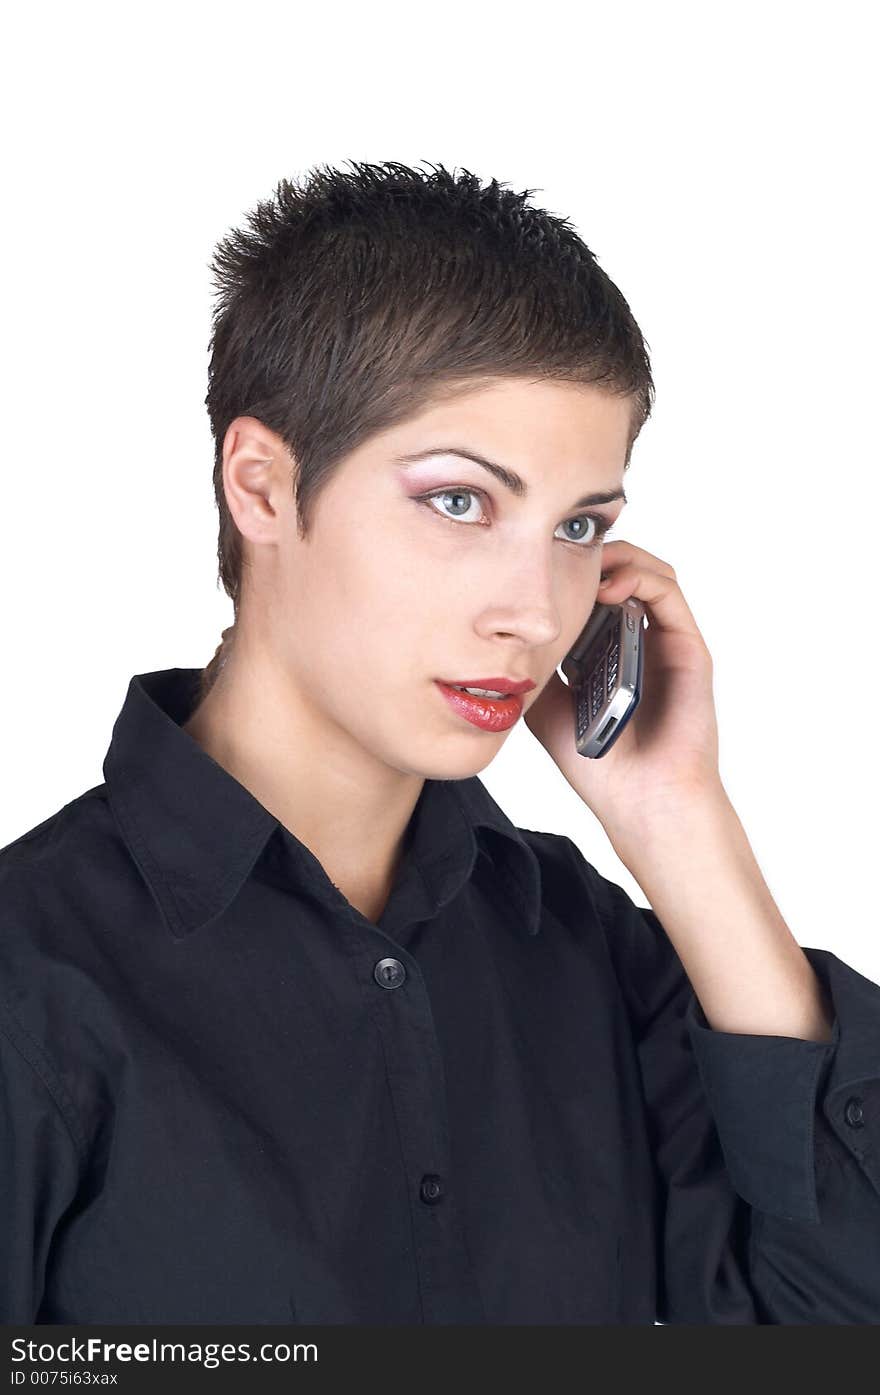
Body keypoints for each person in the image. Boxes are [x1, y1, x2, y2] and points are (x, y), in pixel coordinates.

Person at [1, 160, 878, 1325]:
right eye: (460, 501)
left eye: (578, 527)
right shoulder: (33, 985)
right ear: (261, 486)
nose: (535, 609)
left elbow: (831, 1320)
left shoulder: (588, 951)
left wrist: (680, 826)